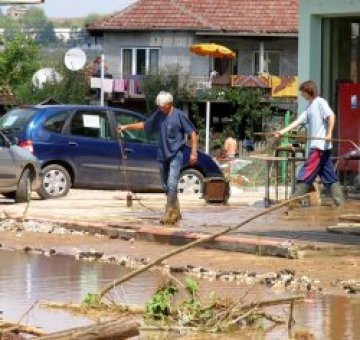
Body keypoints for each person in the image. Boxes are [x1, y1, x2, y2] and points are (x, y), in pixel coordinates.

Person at [118, 91, 198, 225]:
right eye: (159, 107)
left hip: (176, 153)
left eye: (163, 107)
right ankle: (175, 209)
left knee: (172, 183)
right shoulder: (158, 115)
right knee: (166, 185)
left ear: (170, 104)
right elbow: (145, 125)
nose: (160, 109)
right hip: (162, 154)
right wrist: (126, 127)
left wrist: (194, 153)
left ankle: (169, 213)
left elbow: (193, 134)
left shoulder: (179, 116)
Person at [273, 80, 344, 206]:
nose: (302, 95)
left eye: (302, 92)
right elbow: (297, 122)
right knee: (330, 176)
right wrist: (281, 132)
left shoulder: (320, 102)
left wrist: (329, 134)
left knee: (306, 173)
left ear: (308, 91)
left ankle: (292, 203)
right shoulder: (309, 107)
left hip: (319, 147)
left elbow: (331, 116)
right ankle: (341, 204)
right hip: (322, 148)